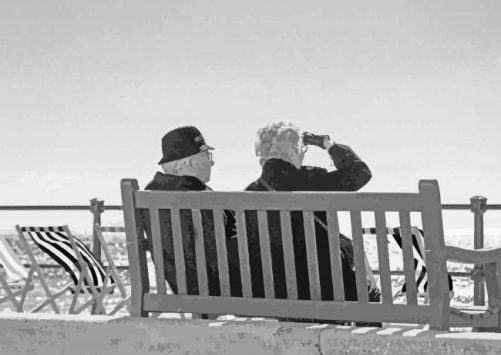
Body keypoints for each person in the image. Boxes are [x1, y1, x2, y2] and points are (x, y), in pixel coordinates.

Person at [244, 121, 380, 323]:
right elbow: (360, 173)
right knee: (369, 293)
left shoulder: (249, 194)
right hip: (324, 291)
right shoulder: (313, 179)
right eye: (302, 148)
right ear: (291, 151)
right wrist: (328, 145)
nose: (303, 153)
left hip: (275, 294)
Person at [144, 126, 241, 297]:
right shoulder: (199, 198)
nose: (212, 162)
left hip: (184, 286)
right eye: (207, 156)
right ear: (188, 162)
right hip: (217, 288)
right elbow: (217, 249)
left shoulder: (151, 196)